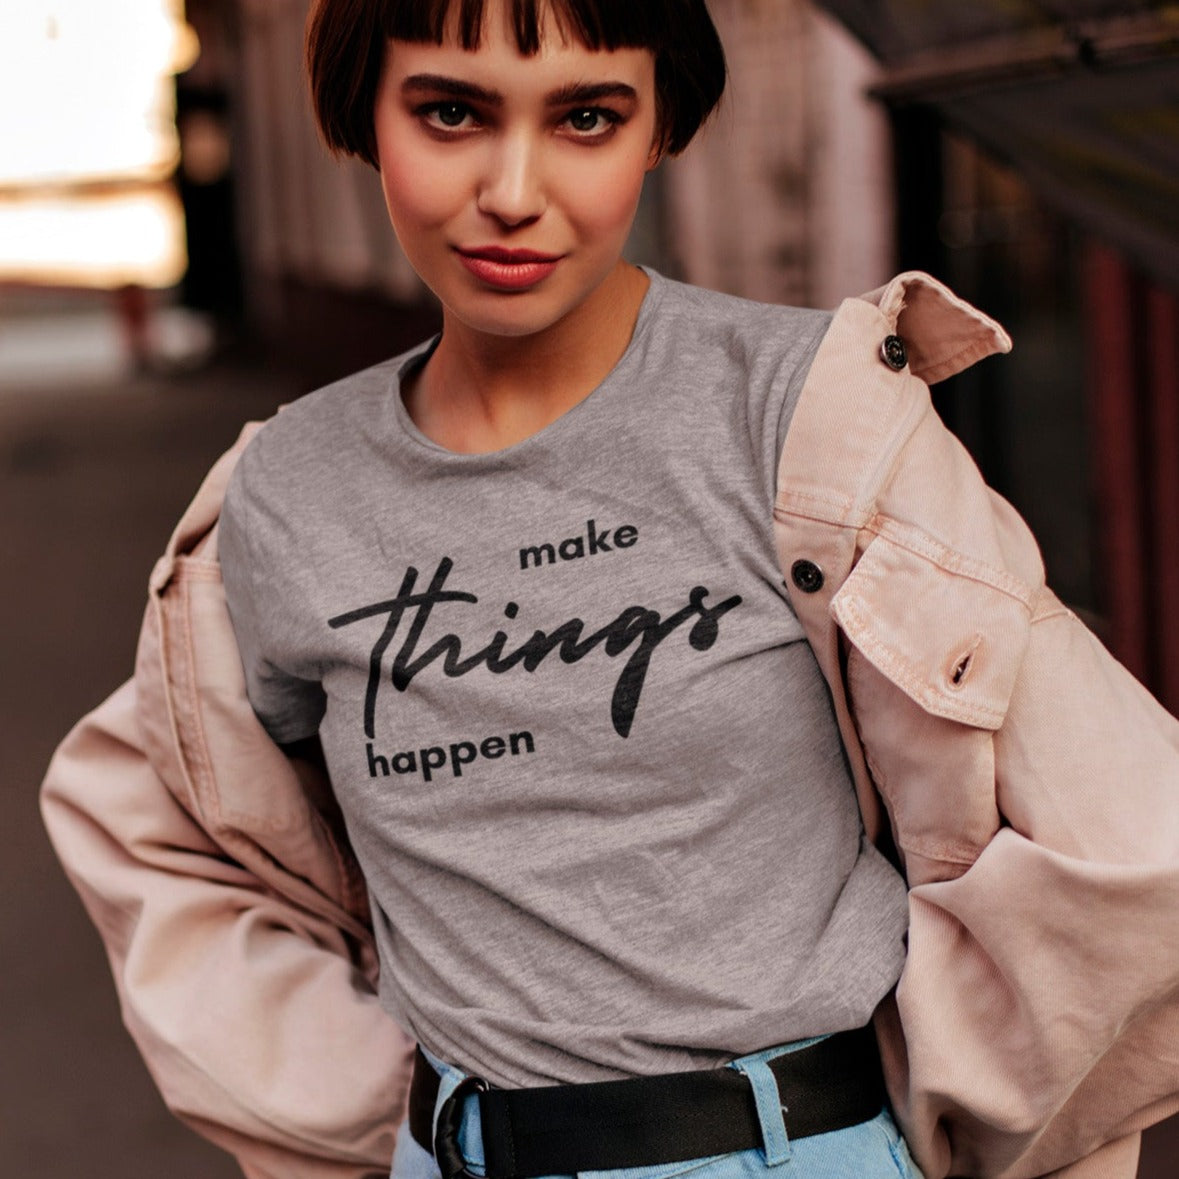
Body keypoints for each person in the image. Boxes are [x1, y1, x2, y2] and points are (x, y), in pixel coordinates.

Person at [41, 2, 1179, 1178]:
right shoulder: (285, 489)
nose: (514, 190)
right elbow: (158, 826)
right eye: (449, 113)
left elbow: (1131, 832)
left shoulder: (804, 419)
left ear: (658, 128)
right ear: (361, 121)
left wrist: (963, 1115)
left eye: (586, 117)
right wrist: (364, 1105)